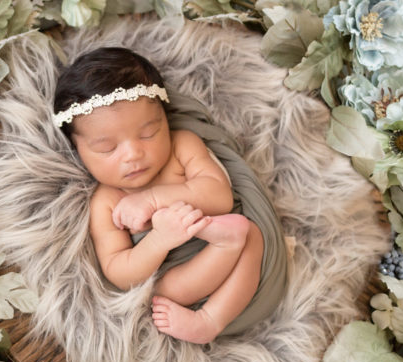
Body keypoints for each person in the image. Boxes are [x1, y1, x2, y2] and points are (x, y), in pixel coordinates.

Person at [53, 47, 263, 344]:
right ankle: (204, 319)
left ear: (165, 117)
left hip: (241, 277)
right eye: (107, 148)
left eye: (149, 133)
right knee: (161, 287)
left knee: (251, 234)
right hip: (178, 286)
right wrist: (161, 239)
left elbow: (220, 197)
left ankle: (211, 319)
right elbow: (120, 272)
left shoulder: (182, 147)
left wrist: (152, 200)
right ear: (79, 152)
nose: (133, 154)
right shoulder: (106, 201)